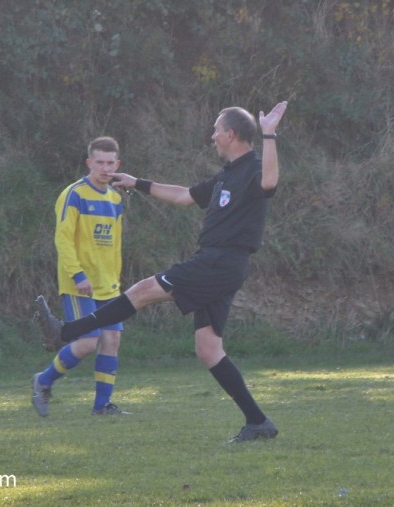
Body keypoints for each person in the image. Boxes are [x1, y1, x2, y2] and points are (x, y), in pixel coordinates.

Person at [34, 102, 288, 442]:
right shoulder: (227, 174)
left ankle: (65, 332)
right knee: (208, 350)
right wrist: (137, 183)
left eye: (216, 130)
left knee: (142, 291)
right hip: (218, 263)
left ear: (230, 134)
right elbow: (185, 196)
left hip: (220, 262)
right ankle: (258, 423)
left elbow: (270, 182)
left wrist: (269, 133)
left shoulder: (253, 168)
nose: (212, 136)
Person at [31, 137, 127, 417]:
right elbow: (62, 239)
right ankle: (43, 381)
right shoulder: (73, 194)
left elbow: (115, 244)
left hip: (108, 286)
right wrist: (77, 274)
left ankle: (102, 406)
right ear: (89, 163)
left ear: (118, 164)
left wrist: (115, 278)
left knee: (112, 340)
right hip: (79, 285)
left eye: (110, 163)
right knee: (86, 342)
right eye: (100, 162)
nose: (105, 168)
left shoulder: (116, 198)